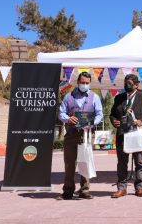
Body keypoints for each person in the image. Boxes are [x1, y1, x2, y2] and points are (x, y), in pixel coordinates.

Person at [58, 72, 103, 200]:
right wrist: (67, 119)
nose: (84, 85)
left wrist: (92, 122)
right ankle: (68, 191)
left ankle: (85, 190)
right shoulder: (68, 96)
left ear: (89, 83)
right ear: (77, 82)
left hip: (86, 135)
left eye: (87, 83)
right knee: (69, 163)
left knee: (85, 161)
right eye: (82, 82)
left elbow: (99, 114)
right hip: (71, 134)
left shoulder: (95, 97)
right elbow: (61, 113)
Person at [109, 74, 142, 198]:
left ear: (136, 85)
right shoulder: (118, 98)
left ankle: (139, 187)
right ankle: (122, 188)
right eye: (125, 83)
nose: (126, 85)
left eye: (128, 83)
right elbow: (112, 114)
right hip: (122, 135)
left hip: (136, 135)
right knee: (122, 163)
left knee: (139, 162)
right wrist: (114, 121)